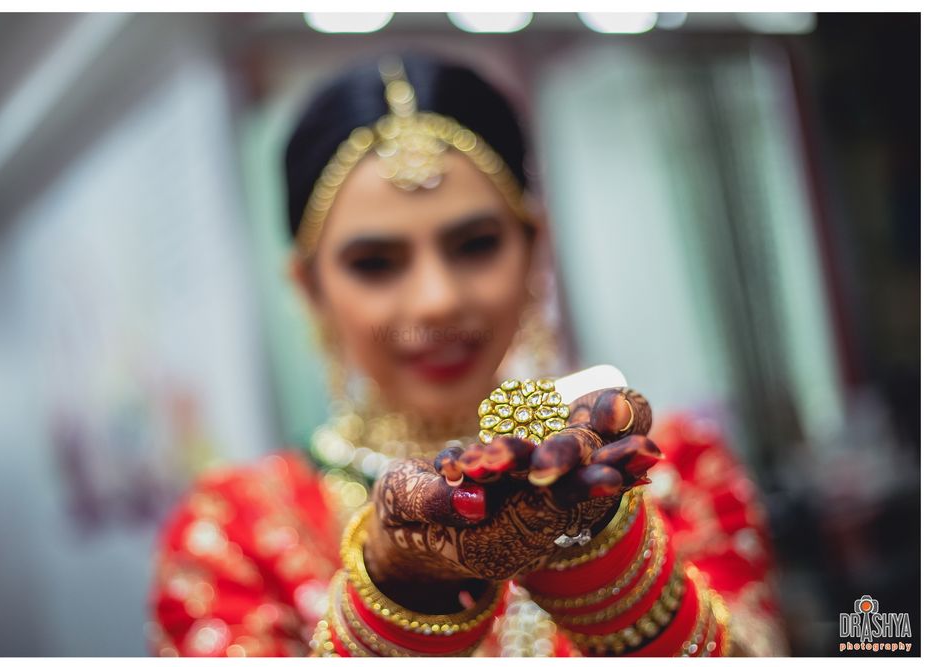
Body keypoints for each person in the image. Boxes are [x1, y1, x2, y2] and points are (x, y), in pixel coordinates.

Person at [147, 52, 787, 657]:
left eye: (475, 245)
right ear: (310, 288)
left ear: (534, 250)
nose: (436, 301)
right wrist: (396, 597)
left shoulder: (668, 468)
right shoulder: (235, 532)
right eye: (375, 264)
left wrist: (607, 569)